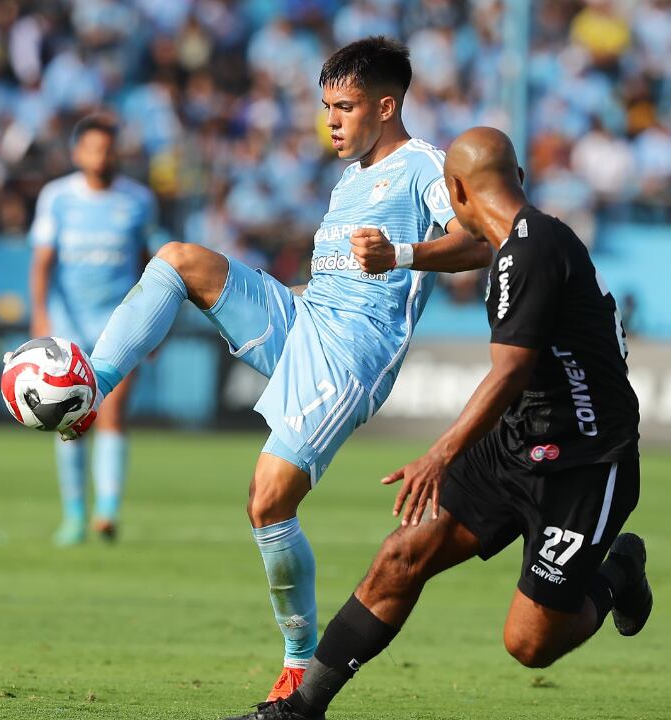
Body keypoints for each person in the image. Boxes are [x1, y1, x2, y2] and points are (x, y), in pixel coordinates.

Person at [62, 37, 491, 701]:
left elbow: (480, 241)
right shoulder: (350, 178)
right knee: (179, 260)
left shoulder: (423, 166)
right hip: (303, 317)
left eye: (345, 107)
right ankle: (90, 388)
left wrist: (402, 254)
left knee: (267, 502)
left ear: (386, 106)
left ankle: (298, 663)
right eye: (326, 107)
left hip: (349, 355)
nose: (331, 121)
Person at [222, 126, 650, 720]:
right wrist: (401, 255)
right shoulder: (527, 241)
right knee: (402, 555)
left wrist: (439, 454)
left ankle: (619, 573)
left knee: (529, 643)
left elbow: (509, 373)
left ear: (456, 193)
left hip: (586, 463)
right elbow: (476, 271)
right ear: (518, 179)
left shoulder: (529, 254)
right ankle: (301, 709)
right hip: (517, 440)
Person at [28, 115, 156, 546]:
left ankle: (107, 511)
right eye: (93, 148)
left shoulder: (138, 200)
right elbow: (43, 262)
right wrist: (40, 315)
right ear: (77, 152)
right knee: (69, 420)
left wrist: (152, 321)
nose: (101, 156)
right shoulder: (57, 197)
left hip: (119, 326)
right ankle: (74, 515)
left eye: (108, 148)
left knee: (113, 413)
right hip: (67, 329)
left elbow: (147, 263)